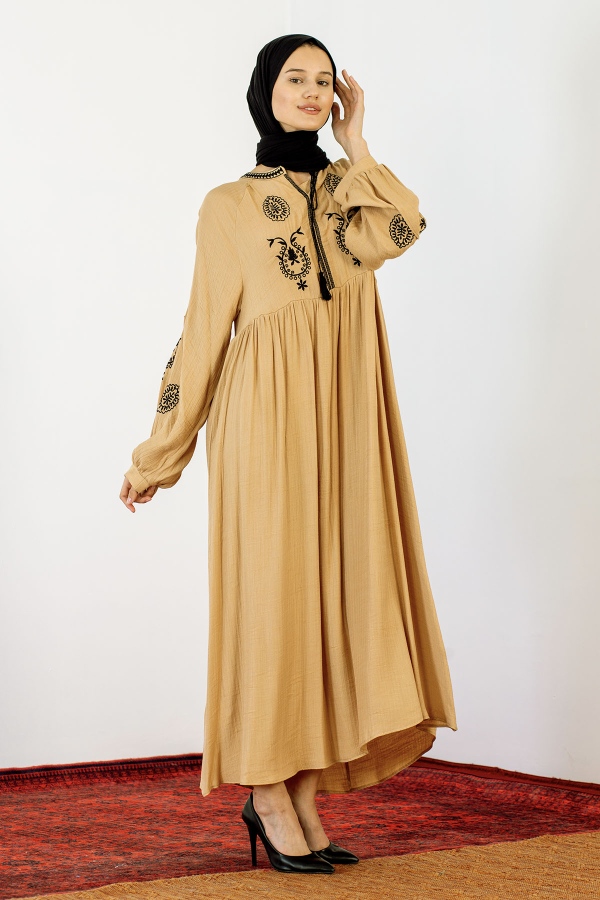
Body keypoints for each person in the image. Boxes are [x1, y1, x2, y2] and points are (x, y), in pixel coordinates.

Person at [120, 34, 457, 875]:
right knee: (276, 604)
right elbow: (202, 333)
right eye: (294, 79)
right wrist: (158, 454)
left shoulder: (350, 194)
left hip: (348, 421)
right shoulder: (229, 206)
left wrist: (358, 144)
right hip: (266, 428)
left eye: (323, 81)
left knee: (336, 597)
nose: (310, 92)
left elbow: (405, 229)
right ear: (264, 91)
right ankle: (267, 792)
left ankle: (303, 796)